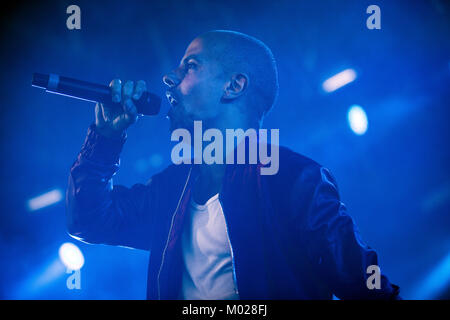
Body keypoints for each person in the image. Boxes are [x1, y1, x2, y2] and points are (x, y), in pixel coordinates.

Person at [66, 30, 400, 299]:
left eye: (191, 65)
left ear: (234, 85)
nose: (169, 78)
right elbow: (91, 222)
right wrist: (105, 139)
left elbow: (367, 289)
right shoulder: (169, 190)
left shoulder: (294, 181)